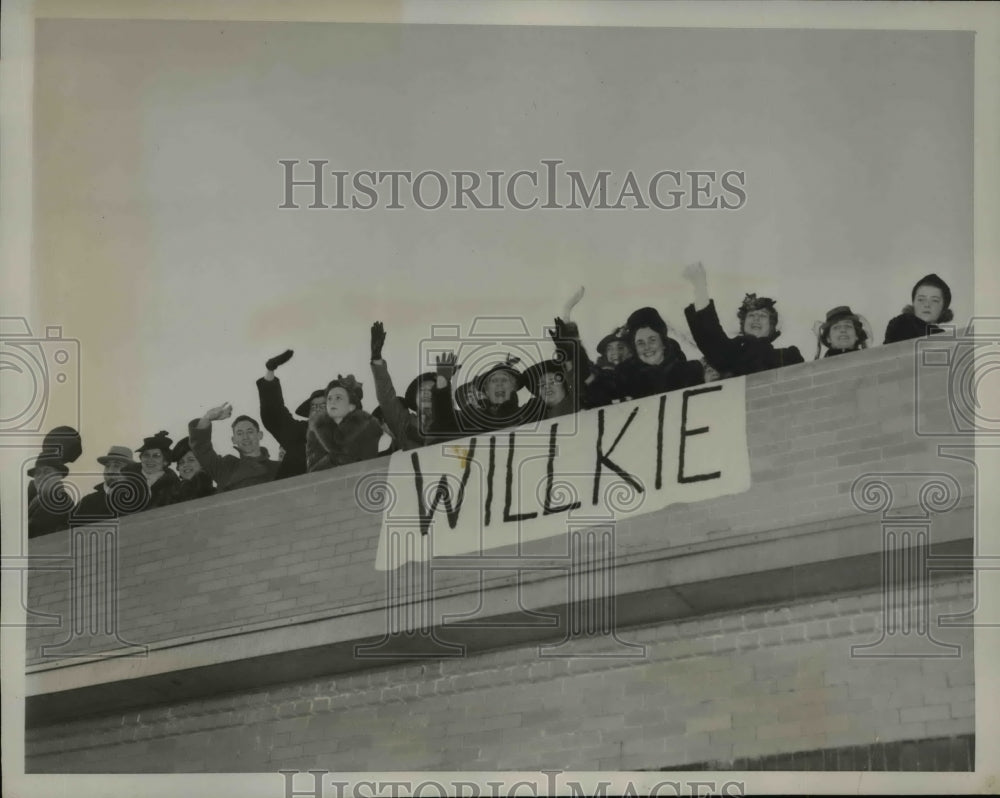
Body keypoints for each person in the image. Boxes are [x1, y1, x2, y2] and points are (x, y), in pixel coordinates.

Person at [682, 261, 804, 376]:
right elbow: (711, 336)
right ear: (743, 324)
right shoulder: (730, 354)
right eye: (751, 315)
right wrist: (700, 286)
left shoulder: (788, 356)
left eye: (762, 315)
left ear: (772, 326)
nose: (756, 318)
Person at [368, 321, 458, 451]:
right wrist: (376, 358)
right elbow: (386, 398)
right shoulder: (405, 425)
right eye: (421, 390)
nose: (427, 393)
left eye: (432, 390)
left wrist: (444, 383)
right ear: (414, 400)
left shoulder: (454, 421)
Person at [256, 349, 326, 479]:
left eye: (323, 406)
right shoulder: (300, 433)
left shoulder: (345, 433)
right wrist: (270, 372)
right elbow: (275, 414)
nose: (317, 409)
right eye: (314, 407)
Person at [617, 306, 705, 399]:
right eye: (640, 343)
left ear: (663, 343)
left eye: (652, 340)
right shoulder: (625, 379)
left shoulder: (690, 371)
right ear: (635, 348)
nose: (647, 347)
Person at [188, 406, 280, 492]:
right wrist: (207, 418)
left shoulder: (278, 467)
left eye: (250, 431)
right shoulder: (225, 467)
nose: (245, 437)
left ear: (260, 435)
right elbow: (201, 448)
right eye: (239, 433)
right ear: (234, 440)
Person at [306, 375, 383, 472]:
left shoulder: (368, 427)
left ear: (351, 406)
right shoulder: (317, 431)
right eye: (329, 399)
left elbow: (368, 466)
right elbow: (312, 474)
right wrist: (332, 460)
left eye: (338, 398)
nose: (332, 402)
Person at [74, 446, 147, 520]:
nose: (110, 471)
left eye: (117, 466)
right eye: (107, 466)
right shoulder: (88, 502)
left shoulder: (141, 500)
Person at [883, 273, 954, 344]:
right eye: (921, 299)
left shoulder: (942, 337)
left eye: (935, 300)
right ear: (913, 303)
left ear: (943, 308)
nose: (927, 305)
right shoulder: (901, 324)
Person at [27, 455, 74, 537]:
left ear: (59, 476)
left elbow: (31, 531)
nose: (40, 476)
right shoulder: (39, 499)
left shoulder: (58, 500)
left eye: (47, 472)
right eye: (37, 473)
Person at [135, 430, 180, 510]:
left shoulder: (174, 486)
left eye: (156, 456)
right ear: (141, 458)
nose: (150, 459)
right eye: (146, 455)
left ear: (165, 462)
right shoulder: (128, 480)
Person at [169, 436, 217, 503]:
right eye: (181, 463)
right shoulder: (171, 499)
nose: (185, 465)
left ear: (202, 463)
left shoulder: (217, 495)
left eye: (191, 460)